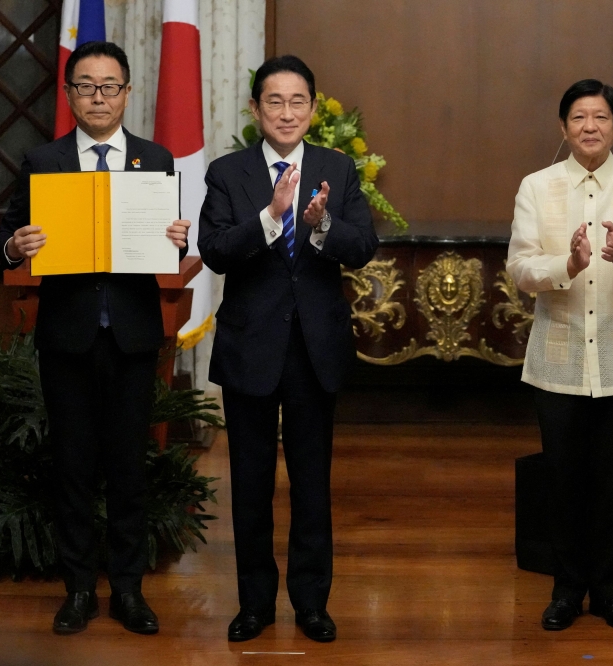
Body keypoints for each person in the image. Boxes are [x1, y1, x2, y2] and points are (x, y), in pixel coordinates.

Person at [0, 41, 191, 635]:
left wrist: (176, 238)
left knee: (130, 467)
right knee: (73, 469)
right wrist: (15, 246)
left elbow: (167, 251)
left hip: (132, 338)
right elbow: (4, 238)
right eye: (86, 86)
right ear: (71, 95)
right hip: (68, 338)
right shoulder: (43, 161)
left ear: (128, 92)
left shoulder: (155, 160)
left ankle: (128, 591)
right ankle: (78, 589)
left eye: (110, 86)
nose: (99, 97)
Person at [199, 55, 378, 644]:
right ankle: (254, 605)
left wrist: (321, 226)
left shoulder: (337, 167)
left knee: (312, 482)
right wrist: (272, 216)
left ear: (311, 108)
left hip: (313, 348)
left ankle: (311, 602)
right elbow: (218, 249)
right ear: (256, 110)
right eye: (273, 101)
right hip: (252, 346)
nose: (286, 112)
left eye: (297, 101)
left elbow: (364, 247)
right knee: (250, 483)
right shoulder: (229, 173)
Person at [507, 79, 613, 632]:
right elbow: (521, 269)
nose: (590, 127)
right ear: (563, 127)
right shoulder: (536, 186)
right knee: (563, 481)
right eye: (579, 117)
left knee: (611, 480)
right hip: (558, 359)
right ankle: (565, 589)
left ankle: (610, 592)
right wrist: (568, 267)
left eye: (600, 117)